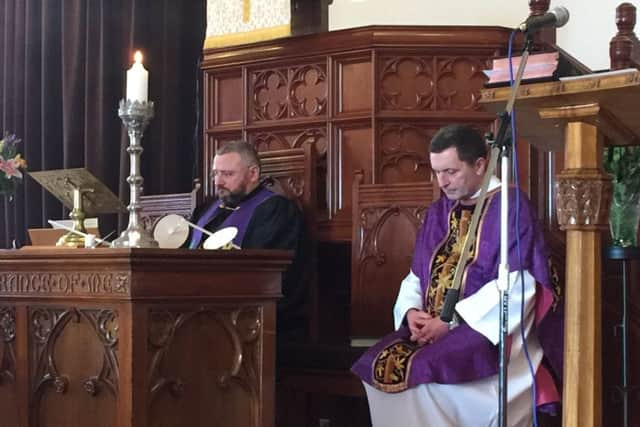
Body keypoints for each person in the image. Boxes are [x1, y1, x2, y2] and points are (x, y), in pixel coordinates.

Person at [351, 124, 563, 427]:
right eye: (437, 172)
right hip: (432, 326)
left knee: (424, 372)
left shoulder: (511, 207)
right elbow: (416, 275)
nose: (443, 181)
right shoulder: (439, 211)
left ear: (480, 165)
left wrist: (450, 321)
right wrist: (411, 311)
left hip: (486, 330)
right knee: (375, 366)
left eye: (451, 171)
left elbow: (519, 284)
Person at [187, 140, 309, 341]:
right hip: (202, 304)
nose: (217, 182)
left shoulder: (275, 211)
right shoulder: (207, 209)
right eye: (215, 174)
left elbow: (266, 273)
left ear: (253, 174)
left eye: (227, 174)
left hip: (255, 314)